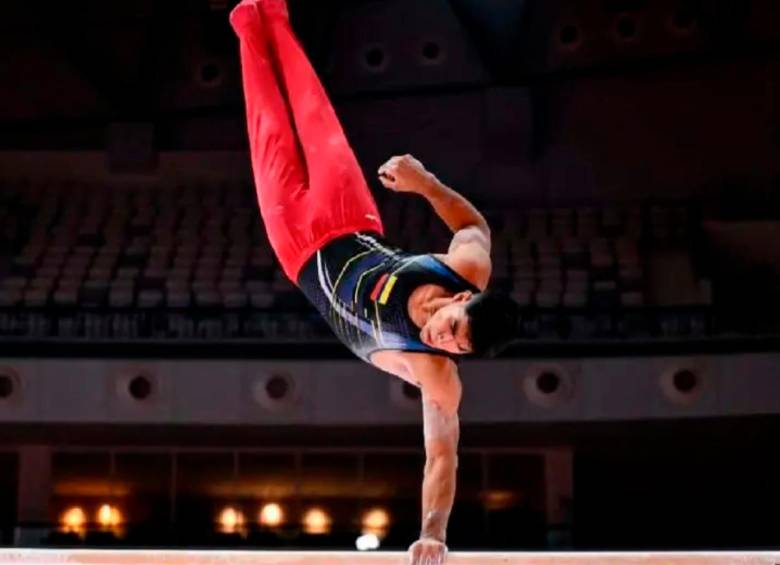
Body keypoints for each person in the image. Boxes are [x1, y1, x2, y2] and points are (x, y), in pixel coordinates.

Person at [230, 1, 519, 563]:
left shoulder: (435, 375)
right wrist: (427, 184)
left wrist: (432, 531)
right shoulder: (465, 270)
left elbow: (442, 456)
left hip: (296, 246)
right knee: (313, 112)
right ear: (462, 298)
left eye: (457, 347)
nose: (442, 341)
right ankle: (275, 13)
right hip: (350, 216)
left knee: (265, 122)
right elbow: (472, 226)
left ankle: (246, 21)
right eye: (452, 327)